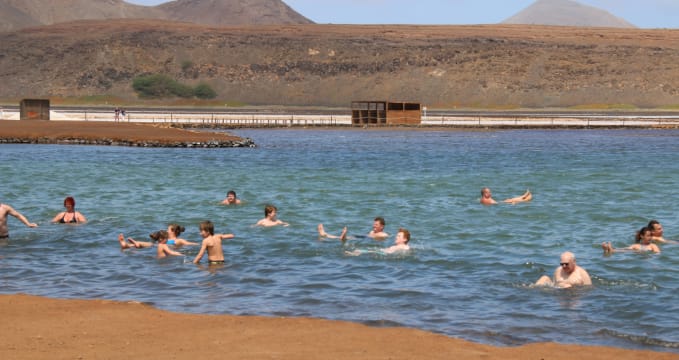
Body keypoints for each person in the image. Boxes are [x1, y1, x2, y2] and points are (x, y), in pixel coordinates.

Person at [345, 228, 411, 256]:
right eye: (397, 235)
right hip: (383, 252)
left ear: (404, 239)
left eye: (399, 236)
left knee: (365, 251)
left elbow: (406, 248)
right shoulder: (397, 246)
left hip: (384, 254)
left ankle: (356, 253)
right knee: (365, 250)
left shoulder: (404, 247)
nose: (396, 237)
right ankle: (357, 252)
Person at [318, 217, 388, 241]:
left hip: (366, 239)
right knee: (345, 237)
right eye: (374, 224)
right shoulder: (372, 231)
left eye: (376, 225)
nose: (374, 226)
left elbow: (382, 237)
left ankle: (325, 234)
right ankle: (325, 234)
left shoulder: (383, 234)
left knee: (346, 238)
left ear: (382, 226)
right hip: (363, 237)